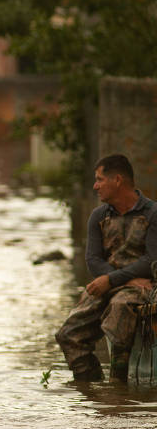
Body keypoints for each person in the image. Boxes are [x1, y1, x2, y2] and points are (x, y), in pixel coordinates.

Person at [56, 154, 157, 382]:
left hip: (142, 288)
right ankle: (91, 389)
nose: (95, 186)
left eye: (100, 179)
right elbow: (92, 260)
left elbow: (151, 260)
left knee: (119, 309)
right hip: (108, 283)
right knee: (68, 334)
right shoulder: (98, 216)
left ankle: (117, 386)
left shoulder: (152, 214)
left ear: (118, 180)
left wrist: (114, 280)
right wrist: (117, 280)